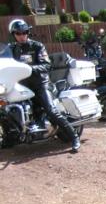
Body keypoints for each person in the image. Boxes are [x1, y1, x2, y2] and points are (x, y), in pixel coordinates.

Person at [8, 19, 80, 152]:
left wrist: (30, 68)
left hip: (40, 84)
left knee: (51, 110)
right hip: (21, 86)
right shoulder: (11, 49)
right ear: (14, 34)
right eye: (18, 33)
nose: (22, 35)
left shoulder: (37, 46)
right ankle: (9, 138)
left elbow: (47, 65)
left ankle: (74, 137)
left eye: (24, 32)